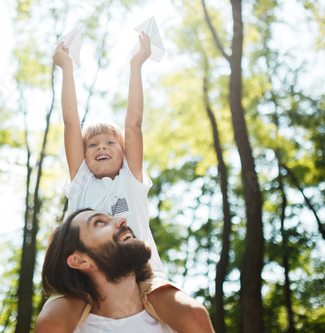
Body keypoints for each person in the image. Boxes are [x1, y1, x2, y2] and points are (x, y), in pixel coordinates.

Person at [35, 32, 210, 332]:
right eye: (92, 145)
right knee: (50, 319)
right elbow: (70, 121)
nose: (101, 148)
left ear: (125, 151)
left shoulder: (131, 180)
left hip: (143, 274)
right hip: (86, 279)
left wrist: (136, 64)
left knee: (192, 313)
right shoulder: (81, 181)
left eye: (109, 143)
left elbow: (134, 123)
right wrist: (66, 68)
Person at [37, 208, 215, 332]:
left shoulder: (181, 317)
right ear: (80, 260)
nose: (121, 220)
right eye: (99, 222)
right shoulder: (62, 323)